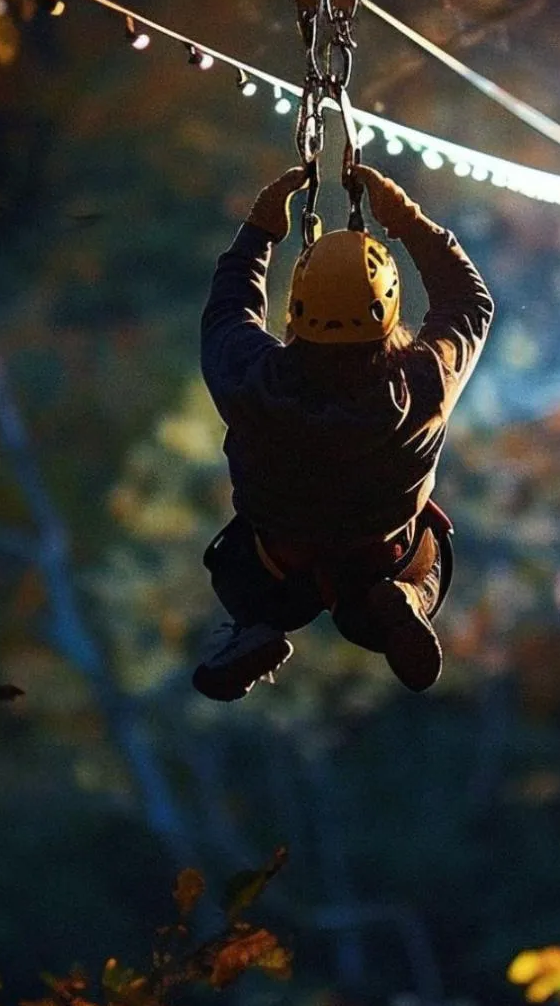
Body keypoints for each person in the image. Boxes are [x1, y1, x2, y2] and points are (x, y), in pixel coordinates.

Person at [193, 162, 493, 700]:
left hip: (274, 559)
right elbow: (468, 304)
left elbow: (228, 312)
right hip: (385, 551)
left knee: (237, 574)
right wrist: (406, 220)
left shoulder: (253, 382)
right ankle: (407, 599)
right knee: (420, 567)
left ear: (298, 305)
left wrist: (260, 230)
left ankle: (257, 624)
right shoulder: (421, 385)